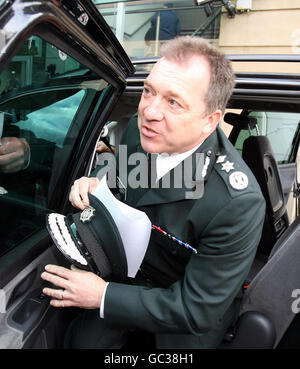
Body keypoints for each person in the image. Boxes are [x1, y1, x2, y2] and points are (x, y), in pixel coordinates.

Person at [41, 36, 266, 349]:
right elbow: (123, 180)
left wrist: (102, 295)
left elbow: (196, 308)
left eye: (173, 102)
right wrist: (97, 183)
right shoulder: (143, 129)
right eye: (148, 91)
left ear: (210, 121)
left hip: (178, 320)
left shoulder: (236, 202)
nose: (150, 111)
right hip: (126, 277)